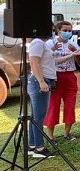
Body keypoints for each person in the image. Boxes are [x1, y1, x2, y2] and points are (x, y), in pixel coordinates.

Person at [44, 21, 80, 141]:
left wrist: (75, 52)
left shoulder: (72, 44)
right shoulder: (51, 43)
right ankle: (50, 135)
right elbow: (46, 59)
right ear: (58, 31)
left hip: (70, 76)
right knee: (54, 105)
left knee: (70, 105)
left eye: (69, 31)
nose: (67, 33)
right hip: (55, 76)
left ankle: (67, 133)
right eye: (64, 30)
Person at [27, 28, 57, 158]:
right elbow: (34, 62)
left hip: (43, 80)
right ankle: (39, 148)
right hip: (39, 81)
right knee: (39, 117)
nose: (52, 31)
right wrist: (41, 81)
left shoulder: (42, 44)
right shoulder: (38, 42)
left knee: (35, 116)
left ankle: (32, 145)